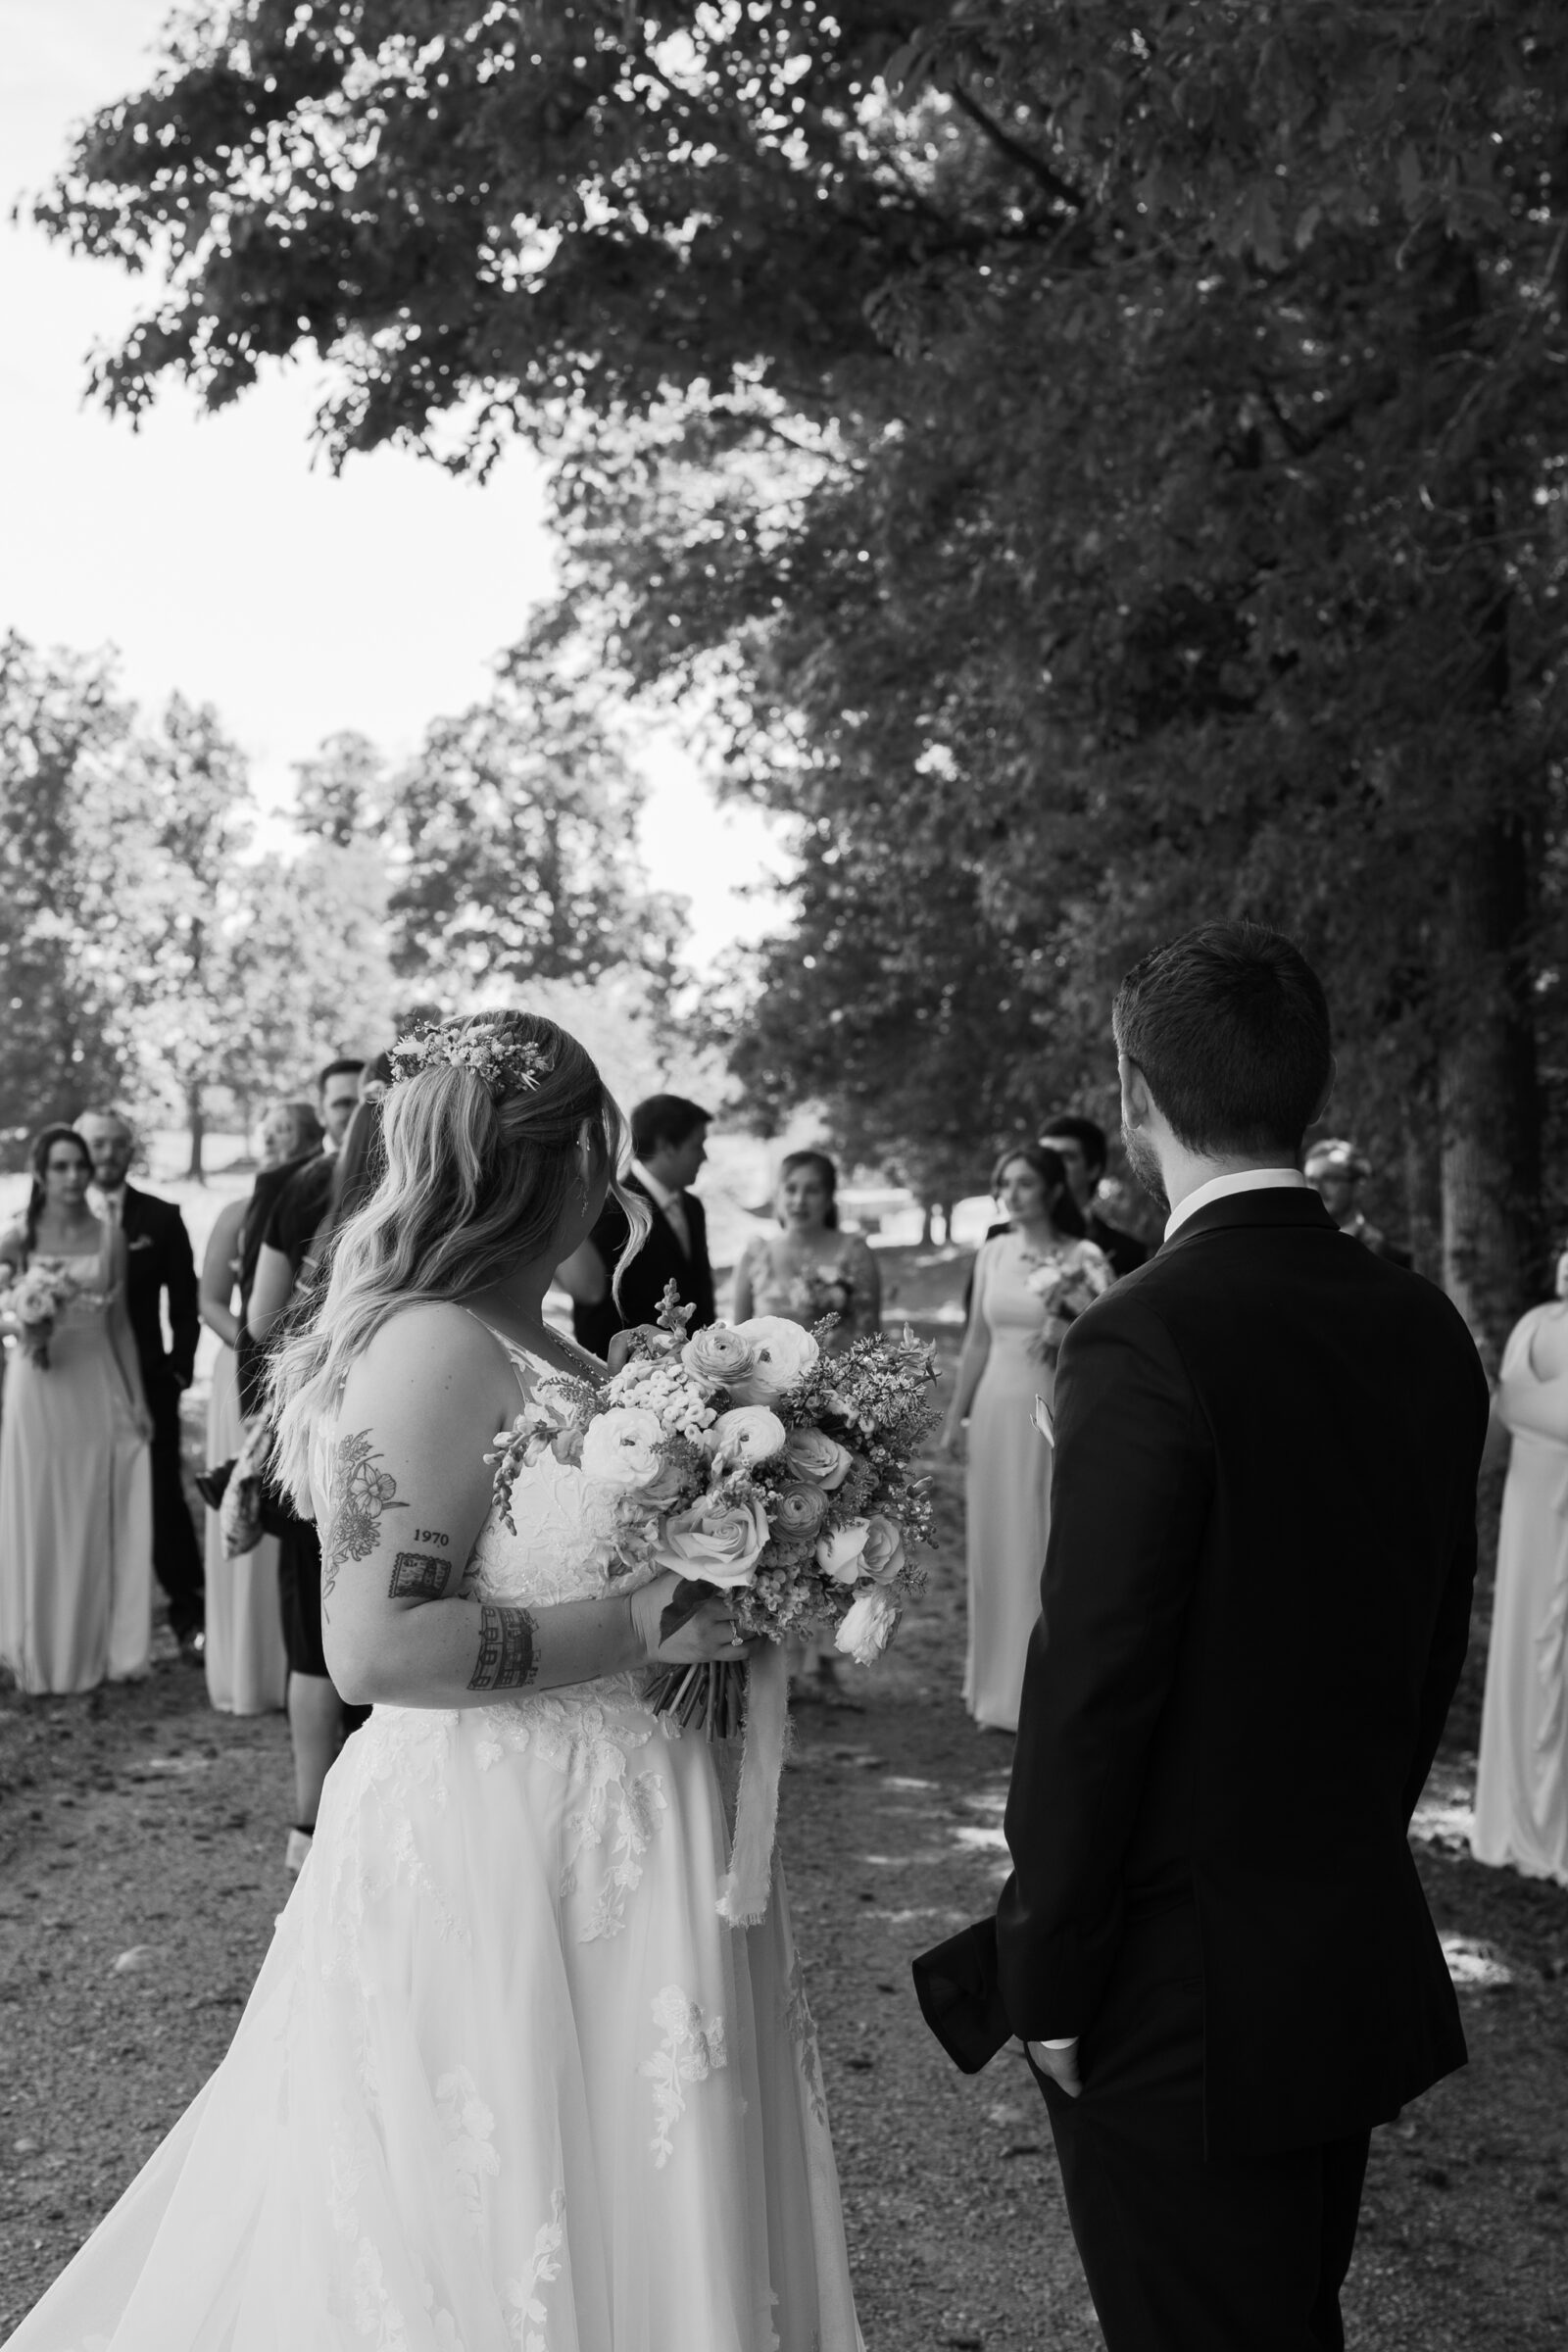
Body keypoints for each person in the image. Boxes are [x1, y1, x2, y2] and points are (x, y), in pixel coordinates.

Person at [8, 1011, 859, 2352]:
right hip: (504, 1845)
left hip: (630, 1838)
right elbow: (379, 1649)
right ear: (565, 1161)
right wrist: (647, 1622)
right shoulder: (434, 1348)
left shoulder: (569, 1354)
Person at [913, 920, 1489, 2352]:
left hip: (1172, 1995)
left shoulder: (1143, 1335)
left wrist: (1045, 1974)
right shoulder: (1423, 1325)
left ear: (1131, 1094)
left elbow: (1094, 1684)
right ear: (1315, 1088)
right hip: (1337, 1942)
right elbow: (1429, 1650)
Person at [244, 1061, 375, 1874]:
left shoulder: (299, 1192)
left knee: (309, 1640)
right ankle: (366, 1813)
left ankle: (306, 1826)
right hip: (382, 1438)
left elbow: (260, 1316)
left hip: (315, 1438)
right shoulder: (422, 1200)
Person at [940, 1145, 1110, 1735]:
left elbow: (1109, 1342)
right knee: (996, 1543)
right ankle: (995, 1693)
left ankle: (1046, 1691)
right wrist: (955, 1417)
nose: (1012, 1194)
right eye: (1004, 1182)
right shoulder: (992, 1251)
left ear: (1053, 1191)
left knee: (1043, 1540)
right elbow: (976, 1342)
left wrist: (1068, 1326)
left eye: (1025, 1184)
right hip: (993, 1409)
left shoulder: (1084, 1256)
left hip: (1051, 1410)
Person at [0, 1127, 154, 1694]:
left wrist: (137, 1400)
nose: (73, 1177)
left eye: (79, 1166)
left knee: (91, 1510)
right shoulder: (17, 1236)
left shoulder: (109, 1237)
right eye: (60, 1166)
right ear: (40, 1173)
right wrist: (23, 1324)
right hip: (36, 1387)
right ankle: (32, 1650)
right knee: (38, 1507)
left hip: (95, 1381)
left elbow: (120, 1325)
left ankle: (91, 1646)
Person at [196, 1101, 320, 1716]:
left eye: (290, 1137)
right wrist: (256, 1349)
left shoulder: (314, 1204)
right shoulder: (234, 1214)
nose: (277, 1146)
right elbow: (211, 1300)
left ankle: (295, 1669)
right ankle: (248, 1671)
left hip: (301, 1370)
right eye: (269, 1136)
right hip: (246, 1370)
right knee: (251, 1503)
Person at [75, 1108, 204, 1659]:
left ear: (130, 1152)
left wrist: (177, 1370)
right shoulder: (50, 1219)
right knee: (81, 1494)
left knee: (161, 1496)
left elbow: (185, 1303)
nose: (106, 1154)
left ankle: (187, 1614)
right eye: (96, 1144)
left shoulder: (161, 1216)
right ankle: (91, 1617)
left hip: (148, 1382)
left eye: (117, 1144)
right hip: (75, 1385)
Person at [1470, 1244, 1568, 1887]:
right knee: (1525, 1636)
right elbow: (1501, 1418)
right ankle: (1510, 1811)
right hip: (1529, 1510)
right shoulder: (1534, 1324)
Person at [558, 1090, 716, 1357]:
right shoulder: (610, 1209)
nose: (704, 1156)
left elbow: (700, 1289)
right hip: (636, 1375)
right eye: (696, 1145)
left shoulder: (692, 1207)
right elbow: (596, 1305)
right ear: (667, 1146)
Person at [732, 1150, 882, 1347]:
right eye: (791, 1189)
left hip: (840, 1374)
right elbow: (737, 1344)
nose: (799, 1201)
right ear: (777, 1195)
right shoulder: (755, 1255)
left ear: (829, 1199)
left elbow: (871, 1336)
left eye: (812, 1191)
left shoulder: (855, 1252)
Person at [1303, 1135, 1412, 1266]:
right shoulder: (1294, 1246)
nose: (1317, 1188)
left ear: (1359, 1187)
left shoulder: (1389, 1255)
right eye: (1311, 1180)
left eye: (1329, 1179)